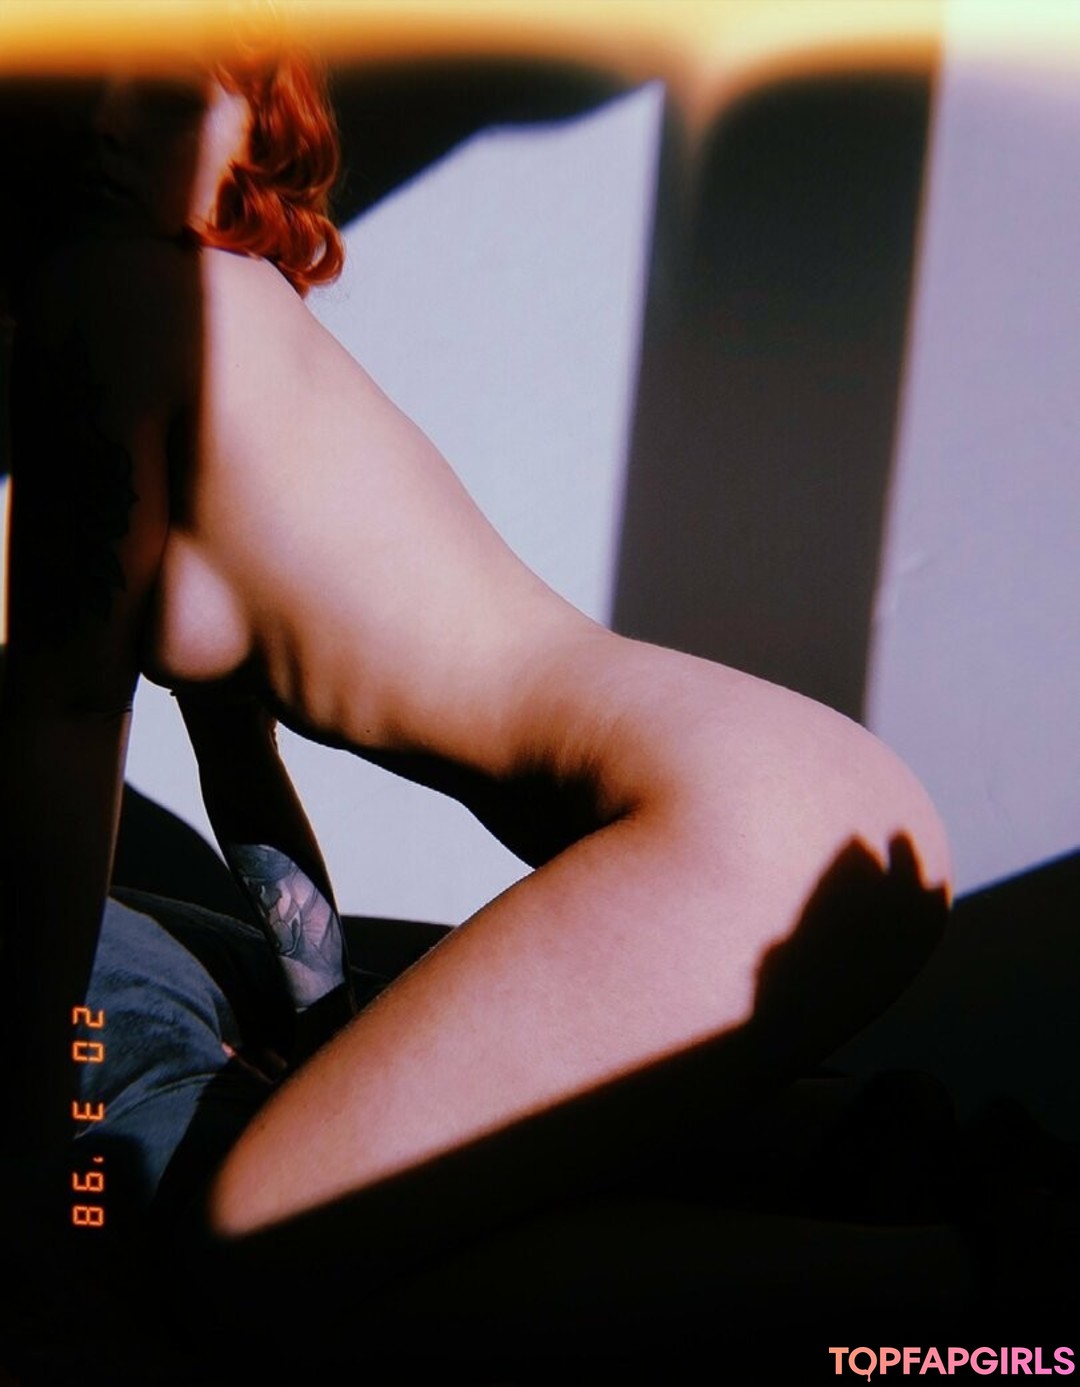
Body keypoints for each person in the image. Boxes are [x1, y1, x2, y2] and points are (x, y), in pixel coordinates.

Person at [1, 37, 954, 1370]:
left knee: (238, 1268)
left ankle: (981, 1290)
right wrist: (322, 1041)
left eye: (162, 82)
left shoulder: (107, 303)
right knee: (377, 1205)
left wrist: (29, 1152)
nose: (109, 118)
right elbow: (246, 789)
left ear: (253, 128)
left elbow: (57, 735)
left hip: (731, 826)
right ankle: (913, 1172)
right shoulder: (226, 315)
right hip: (794, 808)